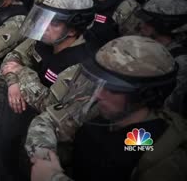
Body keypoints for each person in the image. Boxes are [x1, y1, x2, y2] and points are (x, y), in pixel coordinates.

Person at [27, 36, 187, 181]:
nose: (98, 94)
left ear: (145, 95)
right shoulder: (100, 107)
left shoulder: (166, 154)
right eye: (99, 83)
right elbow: (46, 122)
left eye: (112, 88)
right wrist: (46, 159)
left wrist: (52, 178)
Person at [0, 0, 94, 180]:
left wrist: (21, 72)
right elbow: (11, 59)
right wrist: (13, 82)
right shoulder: (45, 39)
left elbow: (49, 104)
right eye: (44, 18)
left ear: (73, 29)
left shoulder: (82, 64)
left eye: (54, 23)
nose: (45, 26)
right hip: (21, 121)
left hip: (49, 141)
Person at [135, 0, 187, 117]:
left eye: (148, 22)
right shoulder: (143, 40)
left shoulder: (180, 62)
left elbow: (168, 107)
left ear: (165, 25)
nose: (142, 25)